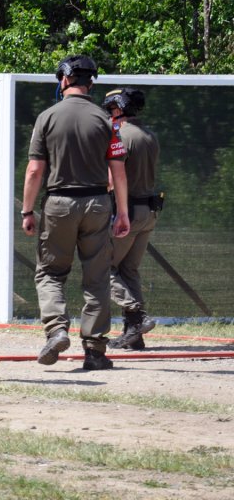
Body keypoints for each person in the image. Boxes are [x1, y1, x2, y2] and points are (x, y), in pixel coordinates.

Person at [20, 55, 131, 371]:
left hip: (59, 203)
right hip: (98, 202)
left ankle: (57, 330)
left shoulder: (47, 117)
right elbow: (118, 171)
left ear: (65, 78)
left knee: (51, 272)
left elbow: (34, 170)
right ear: (90, 82)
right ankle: (95, 351)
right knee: (97, 278)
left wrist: (27, 210)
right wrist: (123, 213)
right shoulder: (106, 121)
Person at [103, 87, 160, 350]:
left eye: (110, 110)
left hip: (128, 212)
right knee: (129, 271)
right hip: (149, 211)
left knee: (102, 268)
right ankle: (134, 336)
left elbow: (111, 179)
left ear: (118, 109)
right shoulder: (150, 135)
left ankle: (137, 316)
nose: (109, 116)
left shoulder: (121, 136)